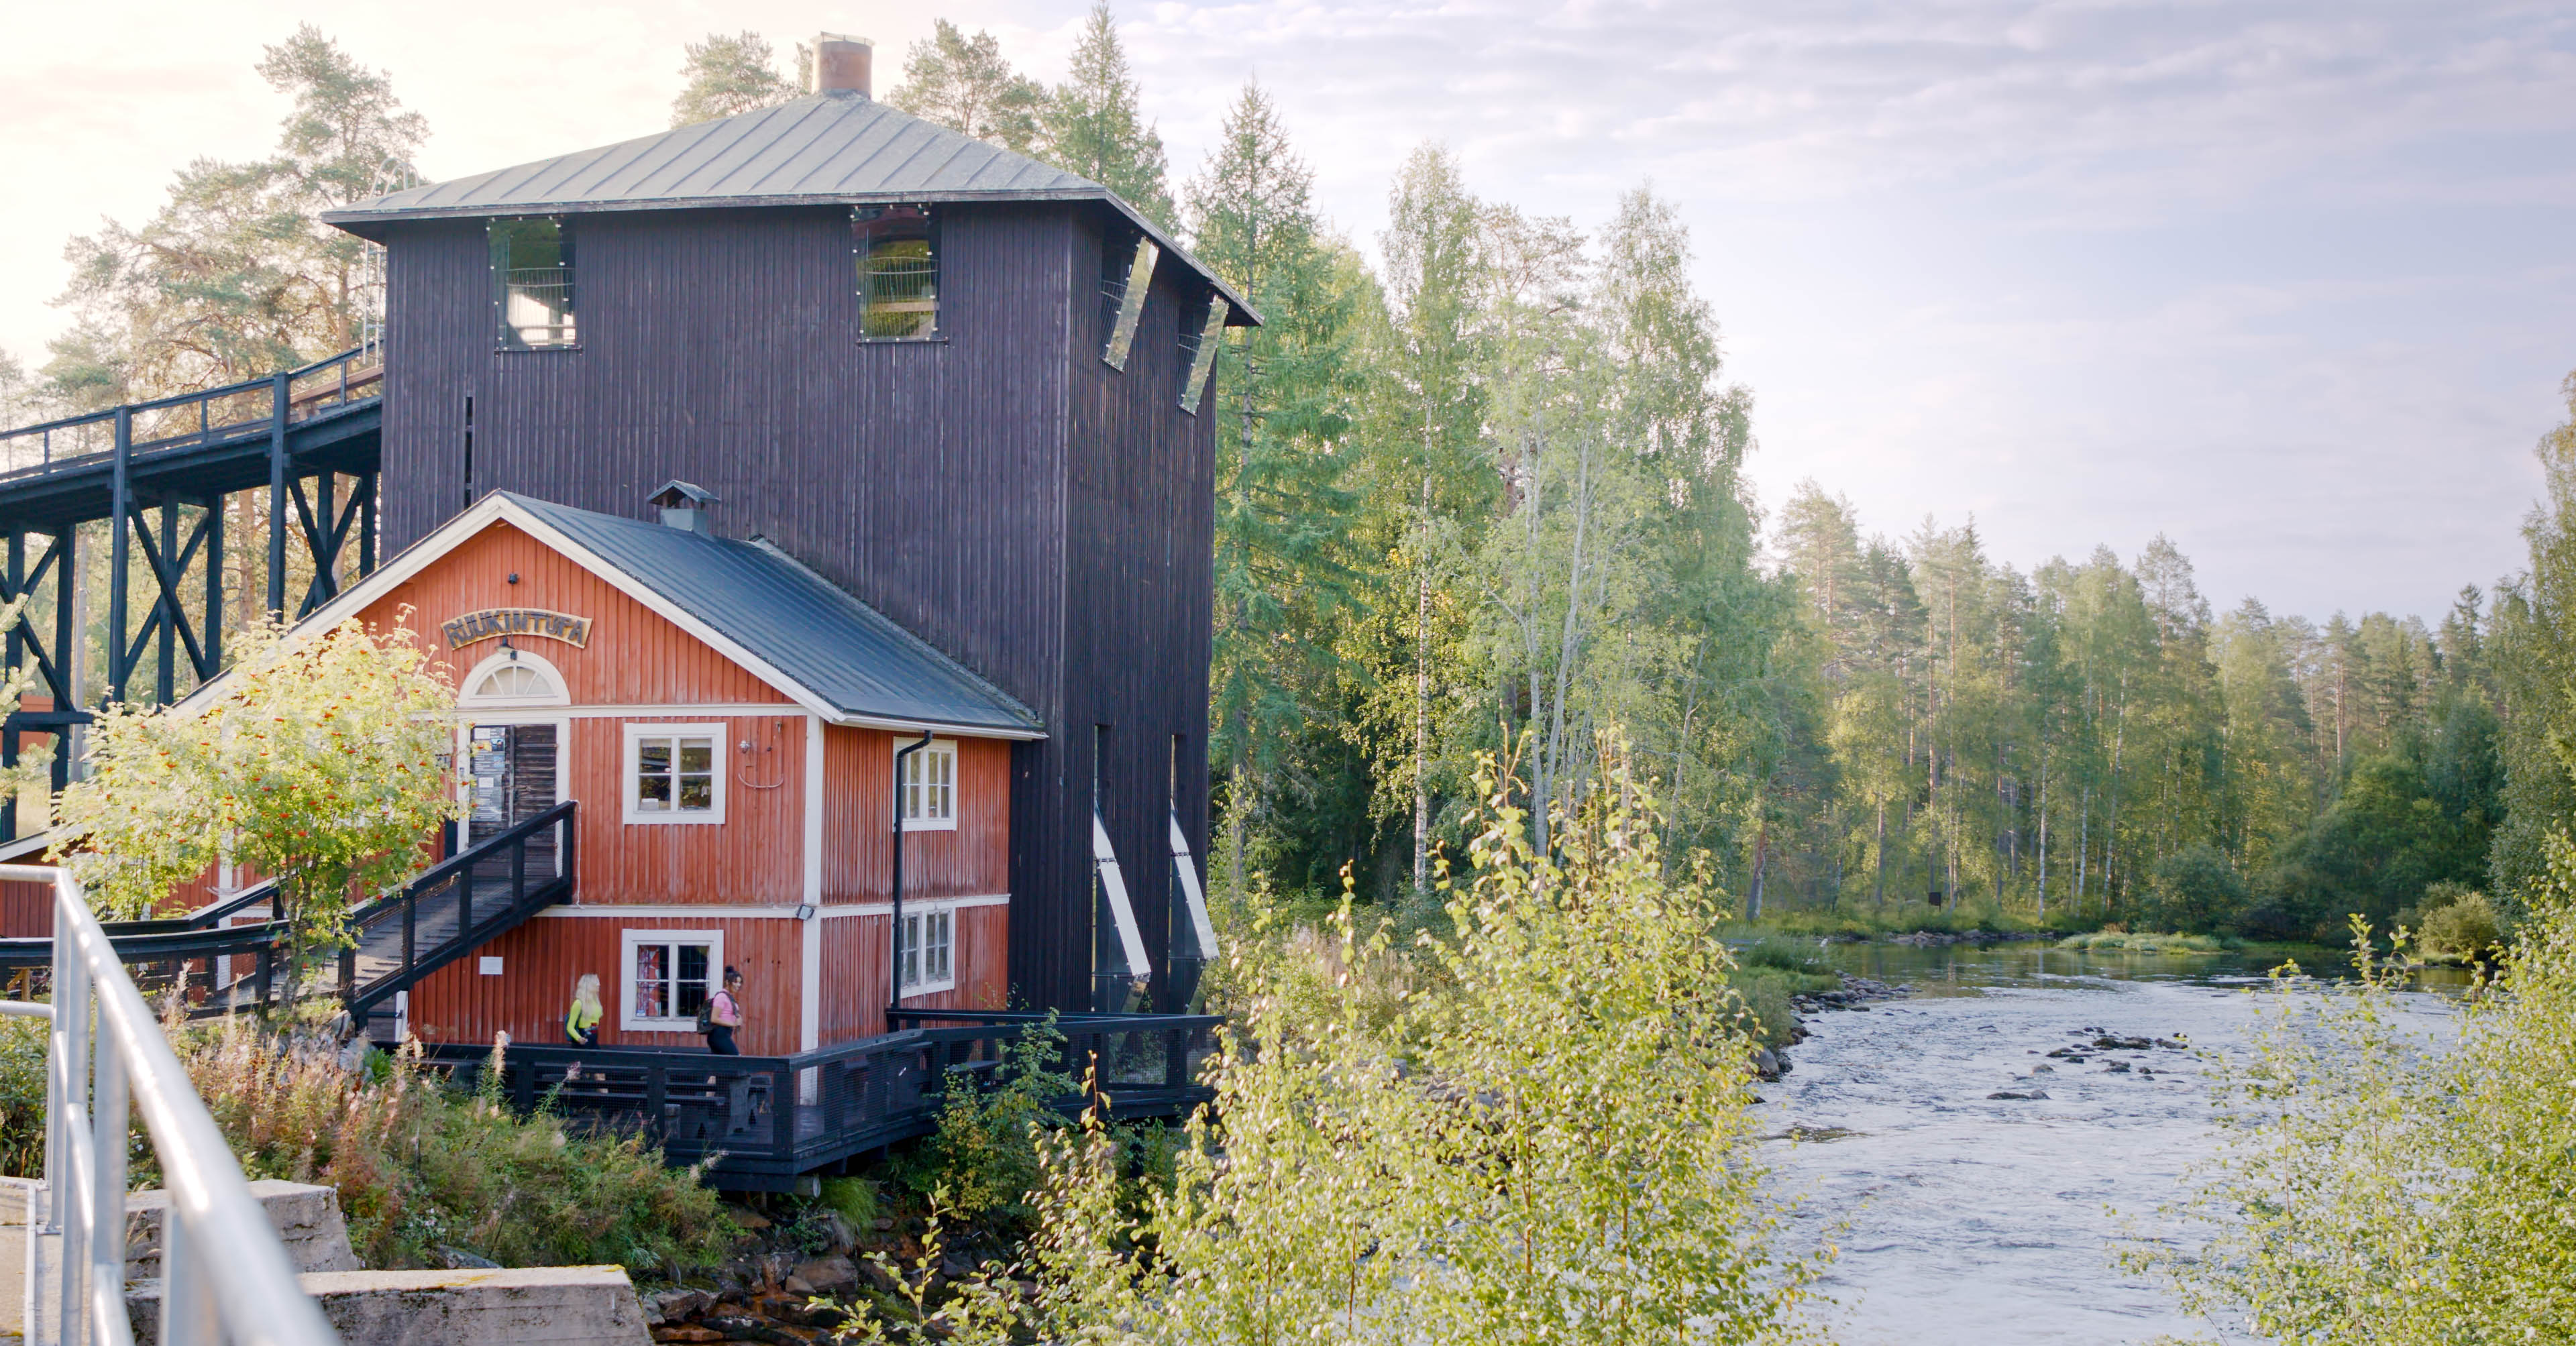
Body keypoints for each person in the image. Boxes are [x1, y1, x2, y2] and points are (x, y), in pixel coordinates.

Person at [705, 966, 745, 1055]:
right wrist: (734, 1024)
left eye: (739, 982)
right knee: (736, 1059)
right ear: (727, 982)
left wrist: (738, 1018)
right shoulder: (721, 997)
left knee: (721, 1065)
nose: (738, 985)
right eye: (735, 982)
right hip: (719, 1035)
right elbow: (714, 1019)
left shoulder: (729, 997)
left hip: (724, 1034)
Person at [564, 973, 602, 1046]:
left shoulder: (596, 1003)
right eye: (596, 983)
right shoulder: (579, 1003)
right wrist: (579, 1038)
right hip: (583, 1039)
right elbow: (570, 1026)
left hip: (593, 1038)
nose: (599, 985)